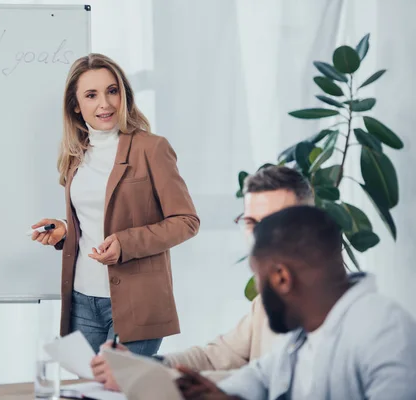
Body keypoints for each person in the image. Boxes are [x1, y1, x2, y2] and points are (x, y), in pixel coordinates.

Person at [30, 53, 199, 356]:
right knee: (88, 390)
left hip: (138, 301)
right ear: (76, 105)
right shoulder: (74, 154)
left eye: (112, 91)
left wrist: (126, 243)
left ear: (124, 95)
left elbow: (186, 221)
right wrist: (66, 231)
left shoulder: (152, 148)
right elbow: (96, 216)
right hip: (82, 299)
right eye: (91, 95)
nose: (104, 104)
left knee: (120, 390)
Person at [91, 165, 315, 389]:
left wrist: (146, 377)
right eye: (250, 222)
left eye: (274, 220)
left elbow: (271, 384)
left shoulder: (327, 305)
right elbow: (212, 359)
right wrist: (141, 363)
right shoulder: (267, 302)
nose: (259, 235)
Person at [176, 205, 416, 400]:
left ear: (282, 278)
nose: (258, 288)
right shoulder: (302, 334)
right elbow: (260, 376)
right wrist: (217, 393)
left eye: (258, 275)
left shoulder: (386, 330)